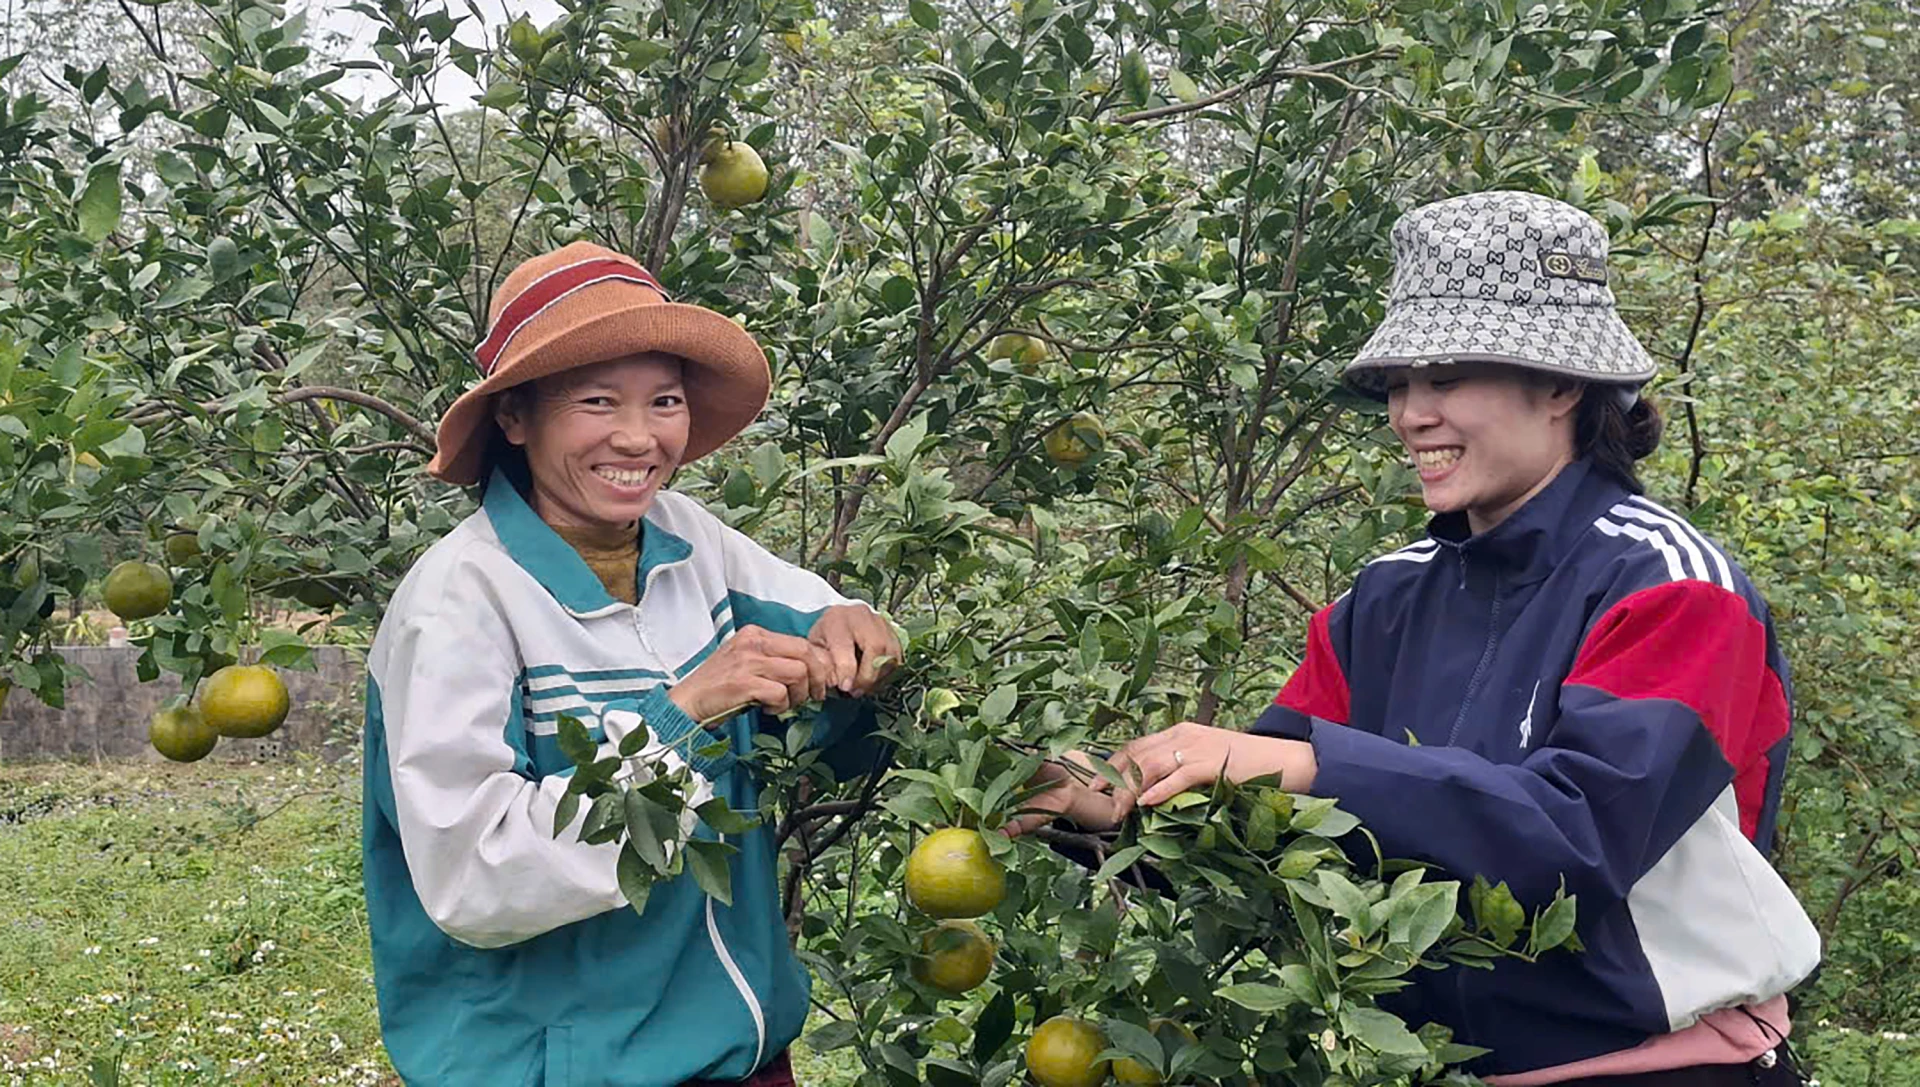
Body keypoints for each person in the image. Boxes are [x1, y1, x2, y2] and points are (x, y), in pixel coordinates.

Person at [1009, 192, 1819, 1086]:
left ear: (1558, 385)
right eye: (1399, 384)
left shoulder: (1671, 587)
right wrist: (1101, 808)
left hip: (1660, 1070)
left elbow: (1580, 841)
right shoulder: (1386, 597)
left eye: (1443, 377)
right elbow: (1273, 831)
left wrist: (1315, 764)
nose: (1410, 413)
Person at [361, 242, 900, 1086]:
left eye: (665, 401)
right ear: (515, 418)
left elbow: (825, 624)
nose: (638, 437)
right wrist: (677, 722)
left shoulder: (693, 542)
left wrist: (858, 627)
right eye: (597, 401)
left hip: (740, 1051)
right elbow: (475, 875)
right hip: (559, 1066)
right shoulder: (458, 604)